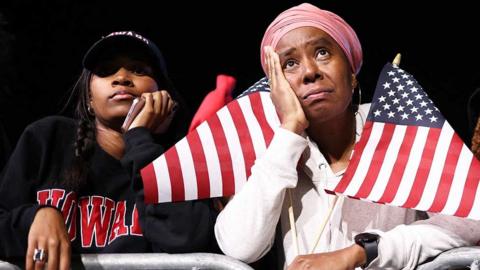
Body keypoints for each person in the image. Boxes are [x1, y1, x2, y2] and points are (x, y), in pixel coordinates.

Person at [214, 3, 480, 269]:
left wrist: (365, 251)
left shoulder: (397, 131)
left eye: (322, 53)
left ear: (352, 74)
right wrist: (290, 128)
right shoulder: (278, 149)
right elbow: (240, 247)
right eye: (290, 63)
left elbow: (472, 221)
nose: (309, 72)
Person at [0, 31, 217, 269]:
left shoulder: (180, 161)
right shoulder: (47, 138)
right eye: (106, 71)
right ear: (89, 100)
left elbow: (186, 238)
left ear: (163, 95)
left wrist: (139, 138)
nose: (122, 77)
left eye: (138, 69)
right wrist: (37, 216)